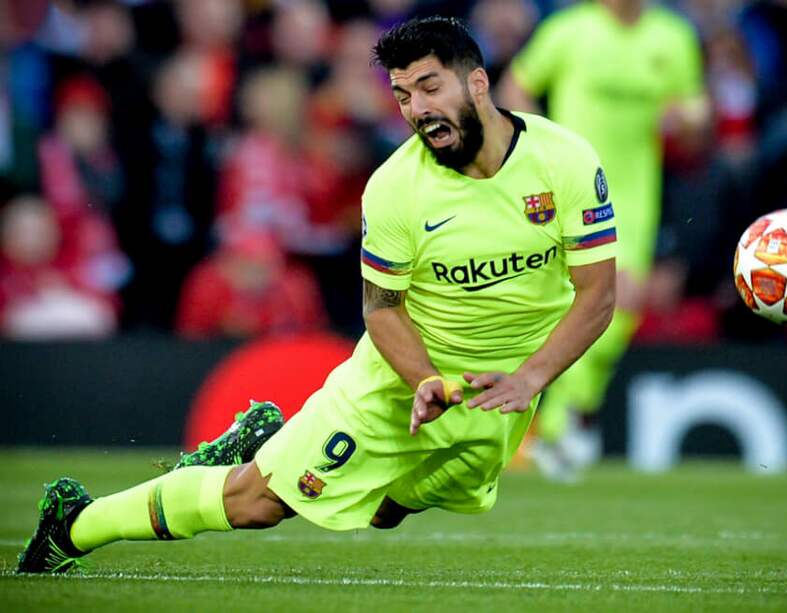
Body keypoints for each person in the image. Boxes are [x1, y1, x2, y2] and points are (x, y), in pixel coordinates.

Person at [17, 16, 617, 574]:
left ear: (479, 83)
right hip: (399, 385)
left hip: (496, 398)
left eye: (431, 87)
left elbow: (596, 295)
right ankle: (74, 526)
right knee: (258, 500)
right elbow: (381, 309)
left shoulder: (563, 161)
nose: (418, 109)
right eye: (404, 95)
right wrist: (424, 379)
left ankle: (269, 448)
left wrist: (531, 378)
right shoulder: (394, 189)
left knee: (384, 511)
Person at [497, 0, 707, 478]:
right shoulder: (569, 30)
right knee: (573, 303)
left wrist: (688, 119)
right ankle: (556, 424)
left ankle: (560, 422)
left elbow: (695, 112)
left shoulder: (672, 37)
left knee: (622, 307)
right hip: (569, 185)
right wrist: (539, 149)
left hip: (634, 192)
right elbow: (517, 88)